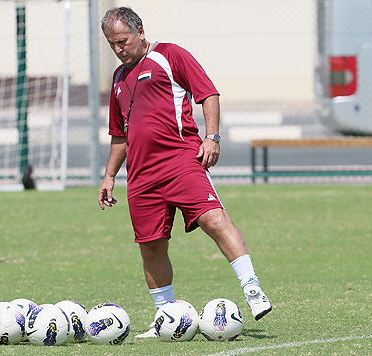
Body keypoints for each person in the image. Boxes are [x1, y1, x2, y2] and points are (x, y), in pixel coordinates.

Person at [97, 6, 272, 338]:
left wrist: (212, 136)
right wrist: (109, 176)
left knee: (215, 220)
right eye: (112, 45)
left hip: (181, 162)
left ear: (140, 31)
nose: (119, 50)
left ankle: (252, 290)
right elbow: (119, 135)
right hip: (141, 176)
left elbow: (209, 94)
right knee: (150, 247)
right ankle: (167, 317)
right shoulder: (119, 79)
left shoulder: (171, 55)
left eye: (123, 41)